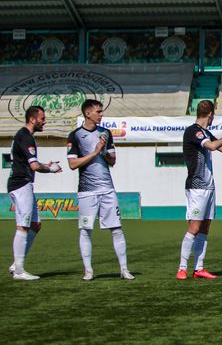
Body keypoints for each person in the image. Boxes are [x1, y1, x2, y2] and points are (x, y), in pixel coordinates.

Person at [67, 99, 134, 281]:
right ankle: (88, 271)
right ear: (87, 113)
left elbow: (112, 160)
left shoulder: (106, 133)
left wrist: (103, 151)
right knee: (85, 230)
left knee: (117, 228)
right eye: (98, 111)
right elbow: (72, 164)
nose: (101, 114)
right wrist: (94, 152)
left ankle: (124, 269)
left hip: (107, 189)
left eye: (101, 111)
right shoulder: (75, 135)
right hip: (87, 191)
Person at [176, 100, 222, 280]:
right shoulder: (193, 131)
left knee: (205, 227)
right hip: (196, 187)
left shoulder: (205, 132)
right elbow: (211, 146)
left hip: (209, 187)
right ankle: (182, 268)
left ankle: (198, 268)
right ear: (210, 114)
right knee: (194, 227)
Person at [7, 106, 62, 280]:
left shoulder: (25, 136)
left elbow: (31, 163)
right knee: (23, 225)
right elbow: (34, 166)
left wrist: (46, 165)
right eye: (42, 118)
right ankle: (19, 271)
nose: (44, 121)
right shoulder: (25, 136)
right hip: (21, 184)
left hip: (24, 184)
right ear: (32, 119)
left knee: (35, 224)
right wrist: (51, 168)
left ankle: (17, 264)